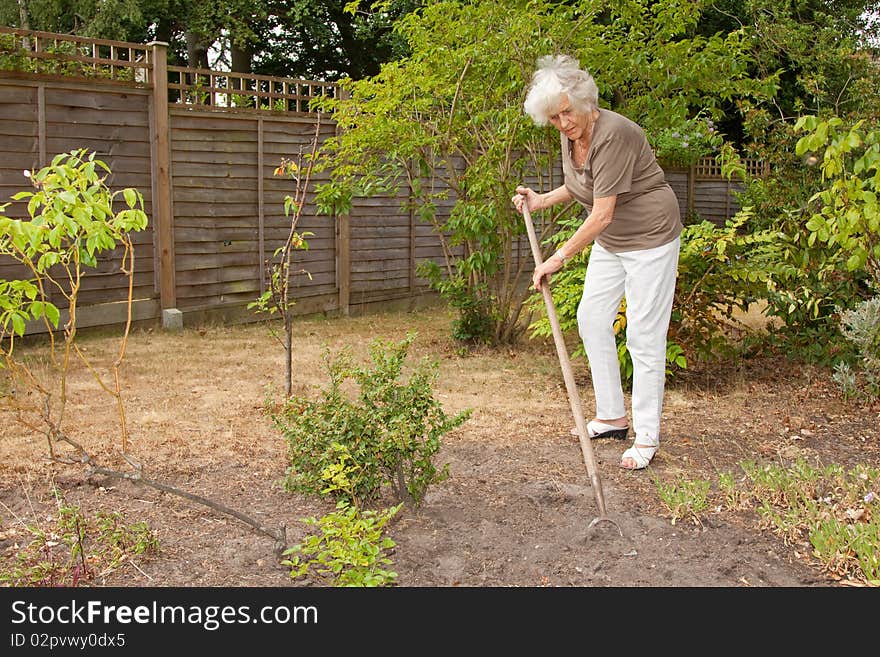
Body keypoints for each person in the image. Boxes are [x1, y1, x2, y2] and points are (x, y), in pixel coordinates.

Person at [512, 54, 682, 470]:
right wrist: (542, 199)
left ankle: (646, 436)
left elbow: (602, 211)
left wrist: (558, 257)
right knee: (591, 318)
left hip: (650, 238)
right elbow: (581, 185)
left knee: (643, 335)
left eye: (567, 112)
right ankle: (611, 417)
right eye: (554, 117)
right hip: (614, 240)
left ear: (588, 101)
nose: (562, 123)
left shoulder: (615, 133)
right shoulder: (571, 134)